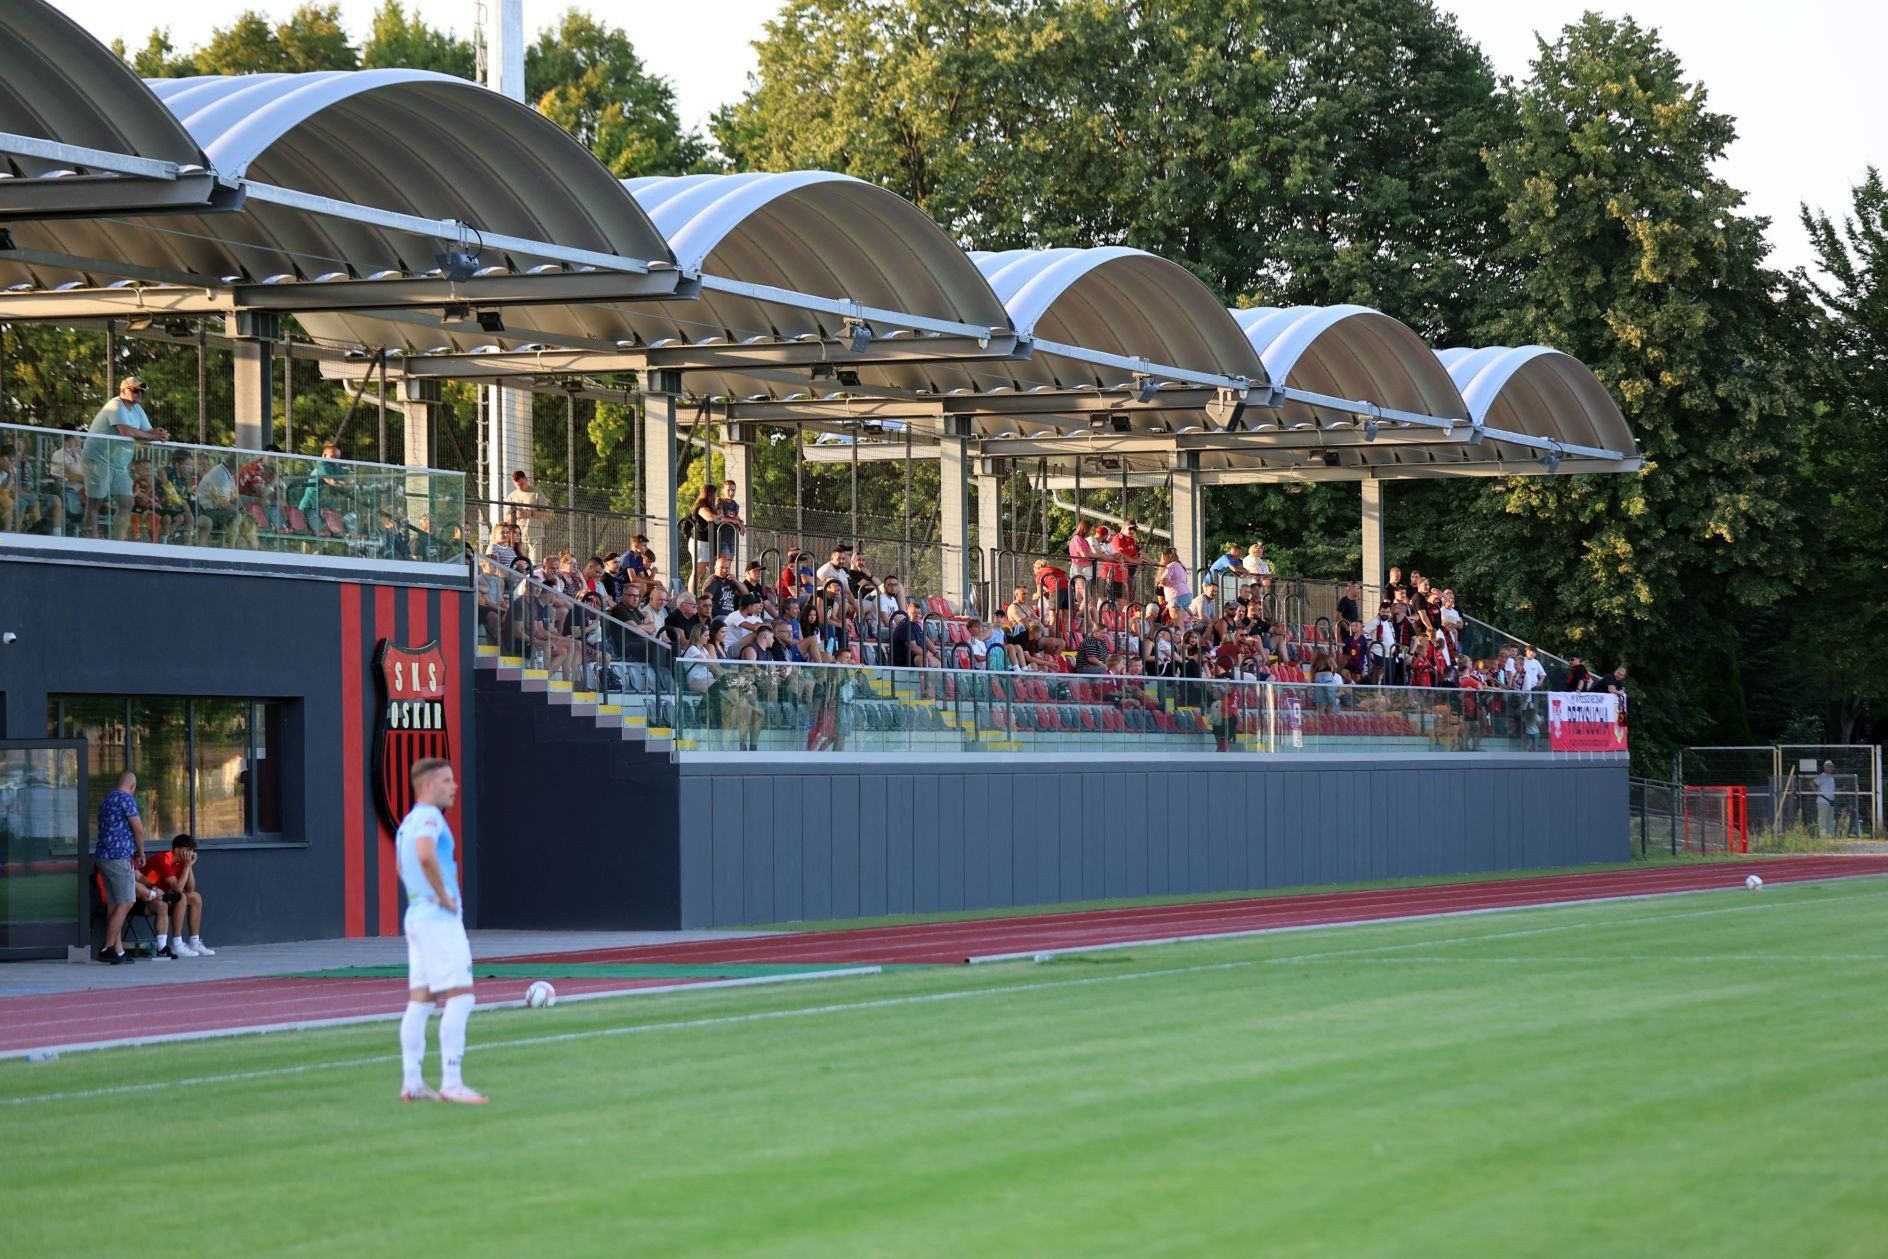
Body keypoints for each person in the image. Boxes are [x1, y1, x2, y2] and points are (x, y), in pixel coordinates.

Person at [395, 758, 484, 1103]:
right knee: (461, 996)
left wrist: (423, 894)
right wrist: (443, 896)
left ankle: (413, 1082)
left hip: (416, 915)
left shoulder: (408, 822)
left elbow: (403, 866)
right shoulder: (431, 817)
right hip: (438, 919)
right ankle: (451, 1081)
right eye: (447, 780)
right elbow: (425, 855)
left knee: (422, 1000)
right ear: (429, 786)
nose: (454, 786)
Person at [83, 376, 170, 539]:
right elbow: (126, 431)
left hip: (119, 465)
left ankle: (118, 541)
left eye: (141, 391)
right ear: (123, 391)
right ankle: (90, 539)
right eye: (135, 390)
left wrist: (160, 433)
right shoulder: (115, 405)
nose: (139, 393)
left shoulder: (137, 409)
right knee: (95, 501)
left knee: (127, 502)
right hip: (97, 459)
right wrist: (152, 437)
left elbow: (149, 431)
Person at [93, 770, 148, 964]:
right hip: (119, 857)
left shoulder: (106, 800)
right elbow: (138, 828)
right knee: (126, 901)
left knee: (115, 903)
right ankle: (107, 947)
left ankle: (118, 951)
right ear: (132, 786)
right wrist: (141, 852)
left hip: (103, 856)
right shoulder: (126, 799)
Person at [140, 834, 213, 958]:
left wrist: (188, 866)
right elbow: (179, 889)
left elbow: (190, 888)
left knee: (195, 897)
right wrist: (187, 865)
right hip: (145, 898)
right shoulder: (162, 859)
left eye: (192, 851)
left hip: (163, 896)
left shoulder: (180, 863)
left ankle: (194, 942)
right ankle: (177, 944)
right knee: (181, 897)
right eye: (188, 850)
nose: (191, 853)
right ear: (177, 850)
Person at [505, 470, 550, 562]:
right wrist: (516, 515)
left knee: (536, 563)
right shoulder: (511, 496)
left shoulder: (537, 493)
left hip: (535, 534)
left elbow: (547, 513)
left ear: (526, 479)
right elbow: (506, 517)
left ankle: (534, 577)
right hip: (518, 536)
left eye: (522, 484)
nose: (520, 487)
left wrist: (532, 513)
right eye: (517, 485)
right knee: (520, 562)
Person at [715, 478, 747, 559]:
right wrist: (736, 521)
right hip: (721, 535)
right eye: (728, 490)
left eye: (733, 490)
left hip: (732, 536)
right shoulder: (720, 501)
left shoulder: (735, 504)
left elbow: (737, 518)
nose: (731, 492)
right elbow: (721, 518)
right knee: (723, 559)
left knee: (730, 559)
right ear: (723, 490)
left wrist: (741, 523)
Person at [1813, 760, 1838, 838]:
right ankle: (1823, 838)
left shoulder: (1831, 777)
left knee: (1830, 821)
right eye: (1829, 766)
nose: (1831, 768)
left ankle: (1830, 837)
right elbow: (1812, 783)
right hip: (1823, 801)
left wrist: (1840, 789)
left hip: (1830, 802)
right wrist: (1817, 792)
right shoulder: (1822, 776)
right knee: (1823, 821)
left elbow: (1832, 789)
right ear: (1825, 767)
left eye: (1832, 766)